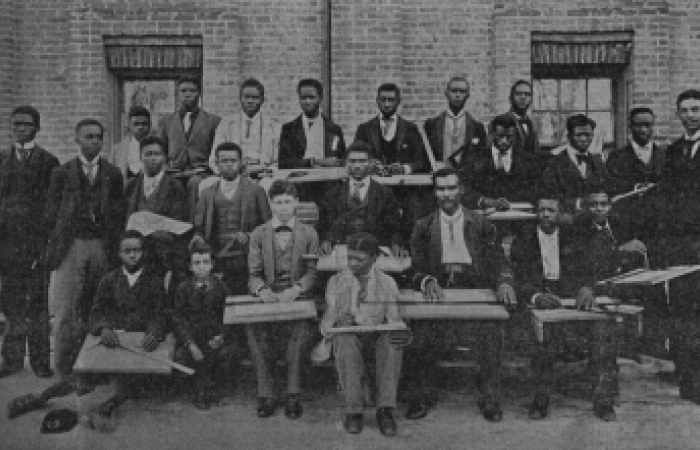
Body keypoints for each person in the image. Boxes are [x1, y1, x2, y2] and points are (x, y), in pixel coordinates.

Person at [511, 194, 643, 421]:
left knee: (602, 334)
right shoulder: (524, 240)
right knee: (543, 342)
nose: (545, 215)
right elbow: (519, 277)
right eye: (541, 210)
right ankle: (540, 400)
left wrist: (586, 288)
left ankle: (603, 402)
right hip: (539, 300)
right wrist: (535, 295)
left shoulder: (575, 237)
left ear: (560, 213)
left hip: (572, 297)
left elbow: (591, 269)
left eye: (551, 210)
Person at [402, 168, 517, 422]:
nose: (446, 194)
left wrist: (504, 282)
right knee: (420, 335)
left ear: (461, 190)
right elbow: (415, 267)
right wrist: (427, 280)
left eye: (451, 188)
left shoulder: (481, 223)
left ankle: (489, 396)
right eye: (441, 189)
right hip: (440, 291)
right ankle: (421, 395)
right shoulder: (423, 226)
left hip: (474, 288)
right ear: (435, 193)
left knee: (490, 333)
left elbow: (499, 261)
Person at [46, 118, 126, 383]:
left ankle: (95, 370)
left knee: (98, 307)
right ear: (77, 139)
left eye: (98, 137)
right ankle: (62, 371)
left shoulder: (113, 174)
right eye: (88, 136)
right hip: (72, 245)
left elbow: (119, 213)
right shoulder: (61, 172)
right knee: (66, 310)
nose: (94, 141)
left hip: (102, 245)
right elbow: (51, 214)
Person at [320, 232, 407, 436]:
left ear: (374, 258)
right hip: (350, 337)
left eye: (360, 259)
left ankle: (385, 410)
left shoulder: (387, 283)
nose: (353, 264)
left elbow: (395, 319)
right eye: (350, 258)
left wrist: (399, 330)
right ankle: (354, 411)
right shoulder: (336, 281)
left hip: (376, 337)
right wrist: (338, 321)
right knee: (344, 339)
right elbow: (326, 324)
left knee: (392, 340)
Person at [246, 180, 318, 419]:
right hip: (268, 298)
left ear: (296, 203)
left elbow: (312, 273)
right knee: (256, 334)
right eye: (278, 202)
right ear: (271, 204)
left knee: (297, 338)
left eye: (288, 202)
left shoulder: (309, 233)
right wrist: (262, 291)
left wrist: (295, 289)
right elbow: (253, 275)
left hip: (297, 298)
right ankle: (266, 394)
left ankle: (292, 394)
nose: (284, 207)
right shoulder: (259, 234)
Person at [0, 106, 59, 378]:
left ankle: (39, 362)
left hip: (35, 246)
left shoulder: (49, 162)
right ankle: (11, 361)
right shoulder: (1, 159)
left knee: (37, 306)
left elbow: (53, 207)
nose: (20, 128)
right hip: (8, 246)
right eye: (16, 124)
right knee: (11, 304)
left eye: (26, 124)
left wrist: (46, 247)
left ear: (38, 127)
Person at [88, 230, 167, 423]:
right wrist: (104, 329)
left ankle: (111, 404)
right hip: (116, 339)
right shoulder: (109, 280)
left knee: (139, 381)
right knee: (85, 377)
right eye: (127, 250)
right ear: (119, 253)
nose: (132, 255)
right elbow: (97, 312)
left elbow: (160, 313)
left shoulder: (155, 281)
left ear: (144, 253)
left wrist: (154, 333)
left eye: (137, 250)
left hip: (140, 342)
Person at [655, 89, 700, 402]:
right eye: (684, 110)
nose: (690, 115)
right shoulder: (672, 152)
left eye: (696, 109)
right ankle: (686, 374)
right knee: (681, 309)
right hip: (680, 243)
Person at [193, 142, 271, 295]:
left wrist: (249, 236)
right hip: (215, 252)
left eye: (233, 161)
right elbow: (199, 227)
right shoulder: (207, 193)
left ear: (241, 162)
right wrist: (198, 240)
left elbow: (267, 226)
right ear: (216, 164)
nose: (229, 165)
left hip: (244, 253)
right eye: (224, 161)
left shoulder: (256, 190)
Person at [124, 135, 189, 295]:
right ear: (140, 157)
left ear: (165, 158)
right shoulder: (131, 186)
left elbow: (179, 224)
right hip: (135, 251)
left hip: (165, 252)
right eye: (148, 154)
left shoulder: (175, 186)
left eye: (157, 154)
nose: (152, 159)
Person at [318, 141, 406, 257]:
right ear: (346, 164)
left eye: (362, 161)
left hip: (375, 252)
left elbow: (395, 226)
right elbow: (325, 225)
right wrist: (326, 241)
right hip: (342, 251)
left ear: (370, 163)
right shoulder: (333, 194)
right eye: (352, 161)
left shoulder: (385, 194)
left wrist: (396, 244)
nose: (357, 165)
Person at [172, 240, 229, 410]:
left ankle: (211, 386)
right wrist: (190, 344)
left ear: (212, 265)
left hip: (214, 337)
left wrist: (222, 336)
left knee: (224, 355)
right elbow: (178, 319)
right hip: (193, 339)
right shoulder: (183, 289)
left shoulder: (221, 288)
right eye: (197, 263)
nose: (202, 267)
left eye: (206, 262)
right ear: (190, 266)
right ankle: (198, 388)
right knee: (183, 357)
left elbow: (229, 316)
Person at [156, 76, 221, 220]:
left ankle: (193, 227)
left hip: (200, 172)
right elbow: (160, 149)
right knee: (171, 185)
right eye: (183, 91)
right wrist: (166, 166)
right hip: (174, 171)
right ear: (177, 94)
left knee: (194, 184)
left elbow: (216, 151)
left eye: (192, 91)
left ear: (199, 94)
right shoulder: (166, 121)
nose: (187, 94)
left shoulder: (212, 121)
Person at [606, 107, 665, 244]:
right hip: (629, 227)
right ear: (630, 127)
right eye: (638, 125)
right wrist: (636, 187)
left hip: (659, 227)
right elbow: (613, 191)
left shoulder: (665, 155)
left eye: (647, 125)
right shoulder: (616, 158)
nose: (643, 130)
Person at [462, 114, 538, 210]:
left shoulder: (526, 160)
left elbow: (534, 190)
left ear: (515, 136)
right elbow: (465, 190)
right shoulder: (475, 158)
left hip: (518, 217)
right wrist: (486, 201)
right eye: (500, 136)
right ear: (492, 134)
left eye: (509, 137)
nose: (504, 141)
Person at [541, 114, 611, 213]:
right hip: (566, 221)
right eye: (579, 135)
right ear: (569, 137)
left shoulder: (599, 163)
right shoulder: (554, 163)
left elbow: (608, 191)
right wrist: (578, 203)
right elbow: (548, 198)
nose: (583, 139)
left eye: (587, 135)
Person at [354, 83, 429, 174]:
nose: (387, 104)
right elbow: (354, 158)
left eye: (391, 100)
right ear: (377, 101)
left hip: (403, 186)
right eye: (383, 100)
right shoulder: (364, 129)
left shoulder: (411, 128)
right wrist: (368, 165)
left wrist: (404, 168)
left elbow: (422, 162)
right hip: (374, 185)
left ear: (398, 101)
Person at [278, 78, 346, 169]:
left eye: (311, 97)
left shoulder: (334, 129)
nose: (307, 102)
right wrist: (315, 162)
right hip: (298, 181)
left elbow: (342, 160)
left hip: (327, 180)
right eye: (303, 98)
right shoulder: (289, 129)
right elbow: (283, 163)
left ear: (320, 98)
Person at [211, 78, 278, 170]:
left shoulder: (273, 127)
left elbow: (277, 162)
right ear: (240, 99)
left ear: (262, 100)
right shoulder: (226, 124)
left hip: (263, 175)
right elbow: (214, 158)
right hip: (232, 175)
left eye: (254, 98)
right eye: (246, 97)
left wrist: (263, 172)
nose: (250, 101)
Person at [423, 76, 488, 168]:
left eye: (462, 91)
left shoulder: (477, 127)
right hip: (439, 177)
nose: (457, 95)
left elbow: (482, 157)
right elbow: (423, 157)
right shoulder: (431, 125)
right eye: (454, 91)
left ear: (467, 95)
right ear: (446, 94)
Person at [110, 106, 152, 180]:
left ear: (149, 125)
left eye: (144, 124)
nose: (140, 127)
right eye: (136, 124)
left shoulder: (158, 148)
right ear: (129, 125)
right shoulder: (117, 150)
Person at [505, 80, 540, 157]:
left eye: (527, 94)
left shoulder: (532, 125)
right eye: (518, 94)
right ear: (510, 98)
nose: (523, 97)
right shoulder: (501, 122)